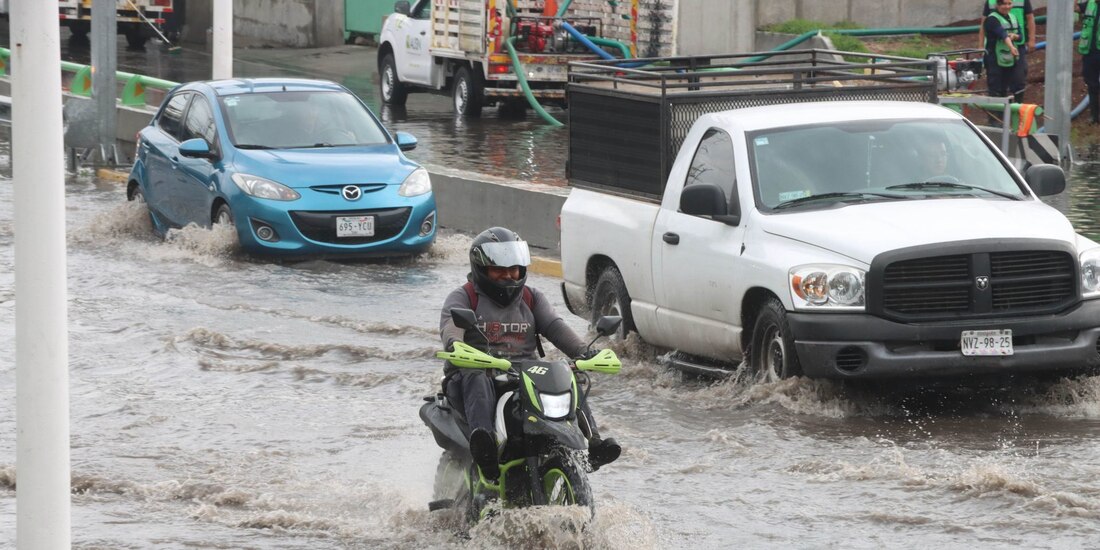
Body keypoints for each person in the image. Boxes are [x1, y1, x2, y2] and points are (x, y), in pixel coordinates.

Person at [439, 227, 621, 482]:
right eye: (499, 269)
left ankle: (593, 443)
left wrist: (585, 352)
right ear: (481, 268)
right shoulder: (464, 297)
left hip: (522, 374)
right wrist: (455, 346)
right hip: (476, 371)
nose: (508, 275)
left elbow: (556, 327)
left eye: (513, 269)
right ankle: (486, 446)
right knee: (476, 375)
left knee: (568, 375)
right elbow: (451, 328)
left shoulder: (531, 297)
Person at [980, 0, 1029, 103]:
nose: (1007, 6)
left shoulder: (1013, 17)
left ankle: (1017, 107)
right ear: (998, 5)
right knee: (996, 87)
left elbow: (1021, 36)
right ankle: (996, 112)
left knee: (1018, 82)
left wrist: (1015, 36)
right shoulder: (992, 19)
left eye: (1009, 4)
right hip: (994, 58)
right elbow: (1002, 34)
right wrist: (1011, 47)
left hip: (1009, 58)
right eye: (1004, 4)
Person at [1080, 1, 1100, 124]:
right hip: (1090, 51)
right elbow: (1075, 8)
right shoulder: (1090, 4)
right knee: (1092, 84)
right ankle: (1094, 116)